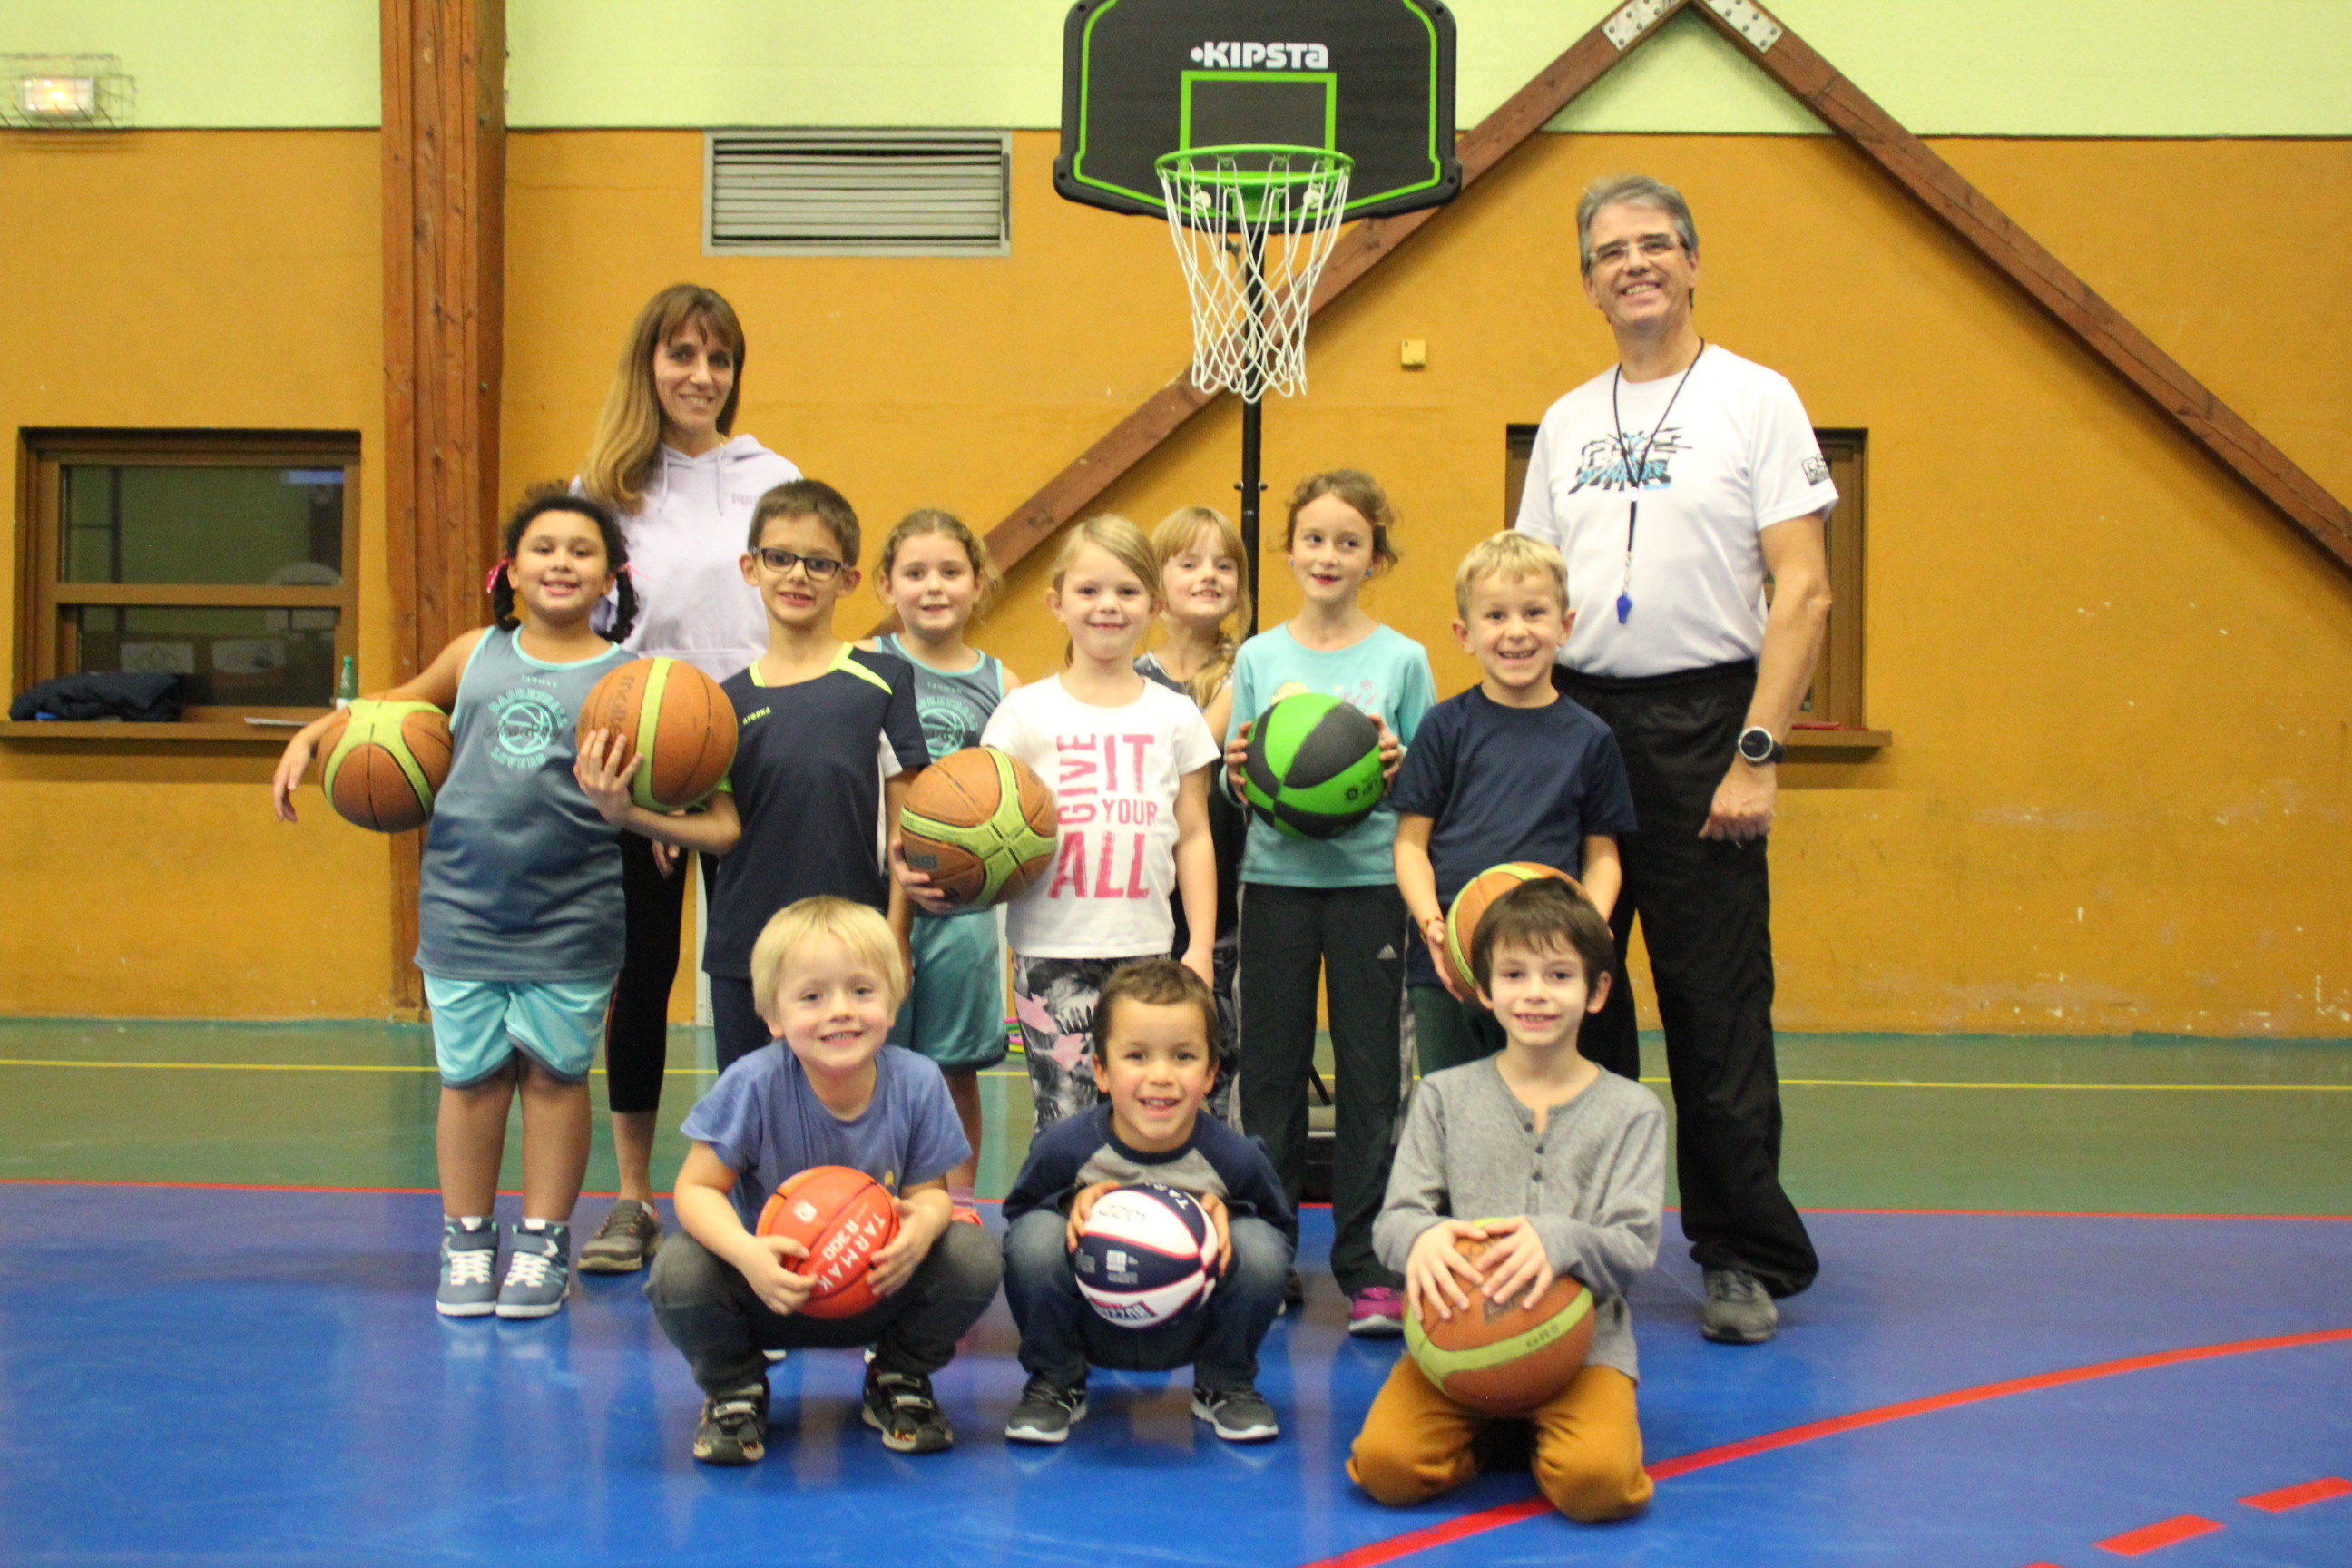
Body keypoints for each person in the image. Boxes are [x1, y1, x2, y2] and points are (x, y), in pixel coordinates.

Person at [270, 490, 740, 1319]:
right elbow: (387, 707)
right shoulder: (473, 654)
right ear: (511, 570)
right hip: (464, 908)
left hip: (573, 915)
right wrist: (315, 736)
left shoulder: (629, 683)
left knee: (557, 1081)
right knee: (472, 1081)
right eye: (543, 548)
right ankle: (466, 1238)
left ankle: (541, 1243)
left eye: (581, 552)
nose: (561, 562)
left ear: (612, 579)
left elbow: (671, 784)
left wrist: (657, 817)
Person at [1514, 172, 1834, 1343]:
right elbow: (1530, 593)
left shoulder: (1759, 400)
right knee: (1564, 1001)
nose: (1634, 263)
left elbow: (1803, 590)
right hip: (1576, 723)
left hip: (1709, 726)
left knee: (1714, 1005)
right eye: (1610, 251)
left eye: (1655, 245)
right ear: (1590, 281)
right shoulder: (1564, 422)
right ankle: (1579, 1243)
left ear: (1694, 263)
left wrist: (1758, 750)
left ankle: (1740, 1251)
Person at [575, 283, 800, 1276]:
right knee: (646, 973)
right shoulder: (607, 485)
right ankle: (631, 1199)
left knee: (761, 972)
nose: (700, 376)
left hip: (753, 745)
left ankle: (766, 1183)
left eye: (718, 359)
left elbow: (791, 609)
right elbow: (590, 632)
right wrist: (650, 784)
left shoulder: (773, 476)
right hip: (641, 752)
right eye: (682, 355)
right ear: (649, 363)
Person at [1348, 877, 1663, 1523]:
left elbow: (1633, 1247)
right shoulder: (1443, 1095)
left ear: (1597, 991)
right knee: (1385, 1467)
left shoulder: (1634, 1111)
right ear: (1485, 990)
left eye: (1559, 974)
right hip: (1458, 1342)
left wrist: (1559, 1240)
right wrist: (1422, 1238)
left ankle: (1534, 1426)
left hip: (1582, 1349)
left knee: (1599, 1486)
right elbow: (1394, 1222)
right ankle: (1493, 1425)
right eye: (1514, 974)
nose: (1536, 993)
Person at [644, 897, 1002, 1464]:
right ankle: (735, 1389)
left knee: (972, 1255)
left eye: (862, 991)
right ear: (774, 1016)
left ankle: (897, 1376)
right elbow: (694, 1189)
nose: (841, 1010)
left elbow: (932, 1196)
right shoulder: (754, 1083)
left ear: (894, 995)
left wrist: (921, 1229)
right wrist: (746, 1253)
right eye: (812, 996)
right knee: (679, 1272)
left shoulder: (919, 1082)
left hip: (878, 1288)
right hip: (771, 1290)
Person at [1222, 470, 1435, 1336]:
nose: (1329, 555)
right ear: (1288, 549)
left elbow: (1427, 782)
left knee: (1373, 1080)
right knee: (1266, 1077)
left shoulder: (1403, 659)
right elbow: (1240, 789)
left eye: (1349, 541)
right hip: (1274, 884)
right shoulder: (1259, 658)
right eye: (1314, 538)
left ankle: (1370, 1263)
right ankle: (1269, 1255)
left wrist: (1397, 765)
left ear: (1374, 557)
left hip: (1370, 886)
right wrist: (1243, 779)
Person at [942, 516, 1218, 1133]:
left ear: (1154, 603)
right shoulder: (1024, 713)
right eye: (1089, 591)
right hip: (1050, 952)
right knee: (1062, 1117)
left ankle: (1143, 1224)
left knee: (1148, 1115)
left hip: (1145, 949)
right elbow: (986, 823)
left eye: (1126, 591)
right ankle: (1063, 1225)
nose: (1107, 607)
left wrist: (1197, 944)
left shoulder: (1175, 715)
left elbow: (1194, 834)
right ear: (1056, 603)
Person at [999, 959, 1295, 1445]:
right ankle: (1055, 1382)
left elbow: (1279, 1230)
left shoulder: (1232, 1155)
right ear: (1101, 1070)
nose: (1161, 1076)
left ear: (1211, 1072)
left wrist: (1229, 1214)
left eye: (1183, 1057)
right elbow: (1018, 1217)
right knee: (1033, 1241)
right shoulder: (1067, 1147)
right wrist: (1070, 1203)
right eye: (1137, 1056)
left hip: (1190, 1327)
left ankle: (1226, 1381)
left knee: (1259, 1248)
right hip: (1093, 1325)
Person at [1391, 532, 1638, 1073]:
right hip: (1447, 967)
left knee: (1541, 1110)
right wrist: (1434, 924)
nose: (1517, 632)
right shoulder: (1444, 728)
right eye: (1496, 616)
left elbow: (1602, 856)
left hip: (1544, 969)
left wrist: (1587, 925)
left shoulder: (1590, 738)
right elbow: (1411, 844)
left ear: (1565, 626)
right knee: (1453, 1114)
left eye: (1534, 613)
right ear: (1465, 634)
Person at [707, 479, 929, 1073]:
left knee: (848, 1123)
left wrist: (896, 936)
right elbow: (719, 827)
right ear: (751, 567)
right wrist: (634, 811)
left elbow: (904, 831)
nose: (797, 575)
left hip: (850, 951)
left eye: (818, 563)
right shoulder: (719, 704)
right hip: (745, 949)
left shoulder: (884, 681)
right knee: (751, 1126)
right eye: (779, 558)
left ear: (848, 579)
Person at [860, 509, 1022, 1211]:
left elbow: (1020, 793)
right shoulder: (862, 668)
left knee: (953, 1068)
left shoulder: (1003, 681)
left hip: (964, 905)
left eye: (951, 572)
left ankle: (955, 1212)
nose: (934, 587)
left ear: (978, 583)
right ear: (885, 584)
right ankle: (865, 1201)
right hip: (874, 898)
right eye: (915, 573)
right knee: (866, 1060)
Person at [1136, 505, 1250, 1125]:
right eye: (1190, 563)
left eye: (1224, 564)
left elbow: (1192, 757)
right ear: (1156, 583)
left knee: (1216, 1039)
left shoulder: (1251, 667)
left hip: (1225, 887)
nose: (1210, 575)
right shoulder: (1132, 678)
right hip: (1151, 893)